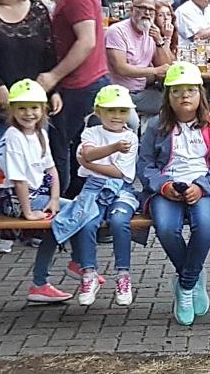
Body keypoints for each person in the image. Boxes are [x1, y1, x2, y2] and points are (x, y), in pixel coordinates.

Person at [138, 62, 210, 326]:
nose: (184, 97)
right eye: (177, 91)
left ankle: (184, 286)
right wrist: (163, 186)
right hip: (167, 187)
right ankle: (192, 276)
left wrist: (202, 186)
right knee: (166, 228)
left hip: (205, 188)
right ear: (168, 96)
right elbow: (145, 165)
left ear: (200, 94)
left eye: (190, 90)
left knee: (204, 225)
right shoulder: (156, 126)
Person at [38, 0, 111, 196]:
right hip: (84, 82)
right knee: (75, 150)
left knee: (66, 151)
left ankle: (62, 212)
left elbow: (87, 41)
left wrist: (52, 76)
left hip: (82, 85)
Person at [0, 80, 71, 302]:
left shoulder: (40, 134)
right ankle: (81, 266)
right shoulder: (13, 136)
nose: (29, 113)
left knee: (71, 214)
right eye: (22, 108)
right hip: (14, 199)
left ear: (43, 109)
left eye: (34, 108)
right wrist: (28, 213)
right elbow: (18, 180)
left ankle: (42, 283)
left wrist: (55, 200)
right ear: (12, 110)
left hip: (36, 195)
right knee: (72, 215)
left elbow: (52, 170)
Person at [66, 85, 139, 307]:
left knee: (119, 221)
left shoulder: (130, 137)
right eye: (110, 110)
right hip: (93, 189)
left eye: (122, 111)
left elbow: (122, 173)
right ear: (98, 111)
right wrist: (112, 149)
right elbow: (87, 153)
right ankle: (88, 274)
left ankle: (123, 276)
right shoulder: (91, 132)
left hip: (121, 190)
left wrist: (89, 164)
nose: (117, 116)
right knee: (87, 222)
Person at [0, 0, 60, 147]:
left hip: (33, 104)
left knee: (36, 162)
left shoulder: (38, 10)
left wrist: (54, 90)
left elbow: (49, 53)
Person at [105, 0, 173, 125]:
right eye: (142, 8)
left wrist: (160, 40)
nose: (147, 13)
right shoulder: (117, 31)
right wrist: (153, 71)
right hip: (119, 92)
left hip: (142, 91)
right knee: (135, 121)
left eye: (151, 10)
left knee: (178, 103)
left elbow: (166, 66)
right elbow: (121, 68)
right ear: (132, 10)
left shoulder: (150, 31)